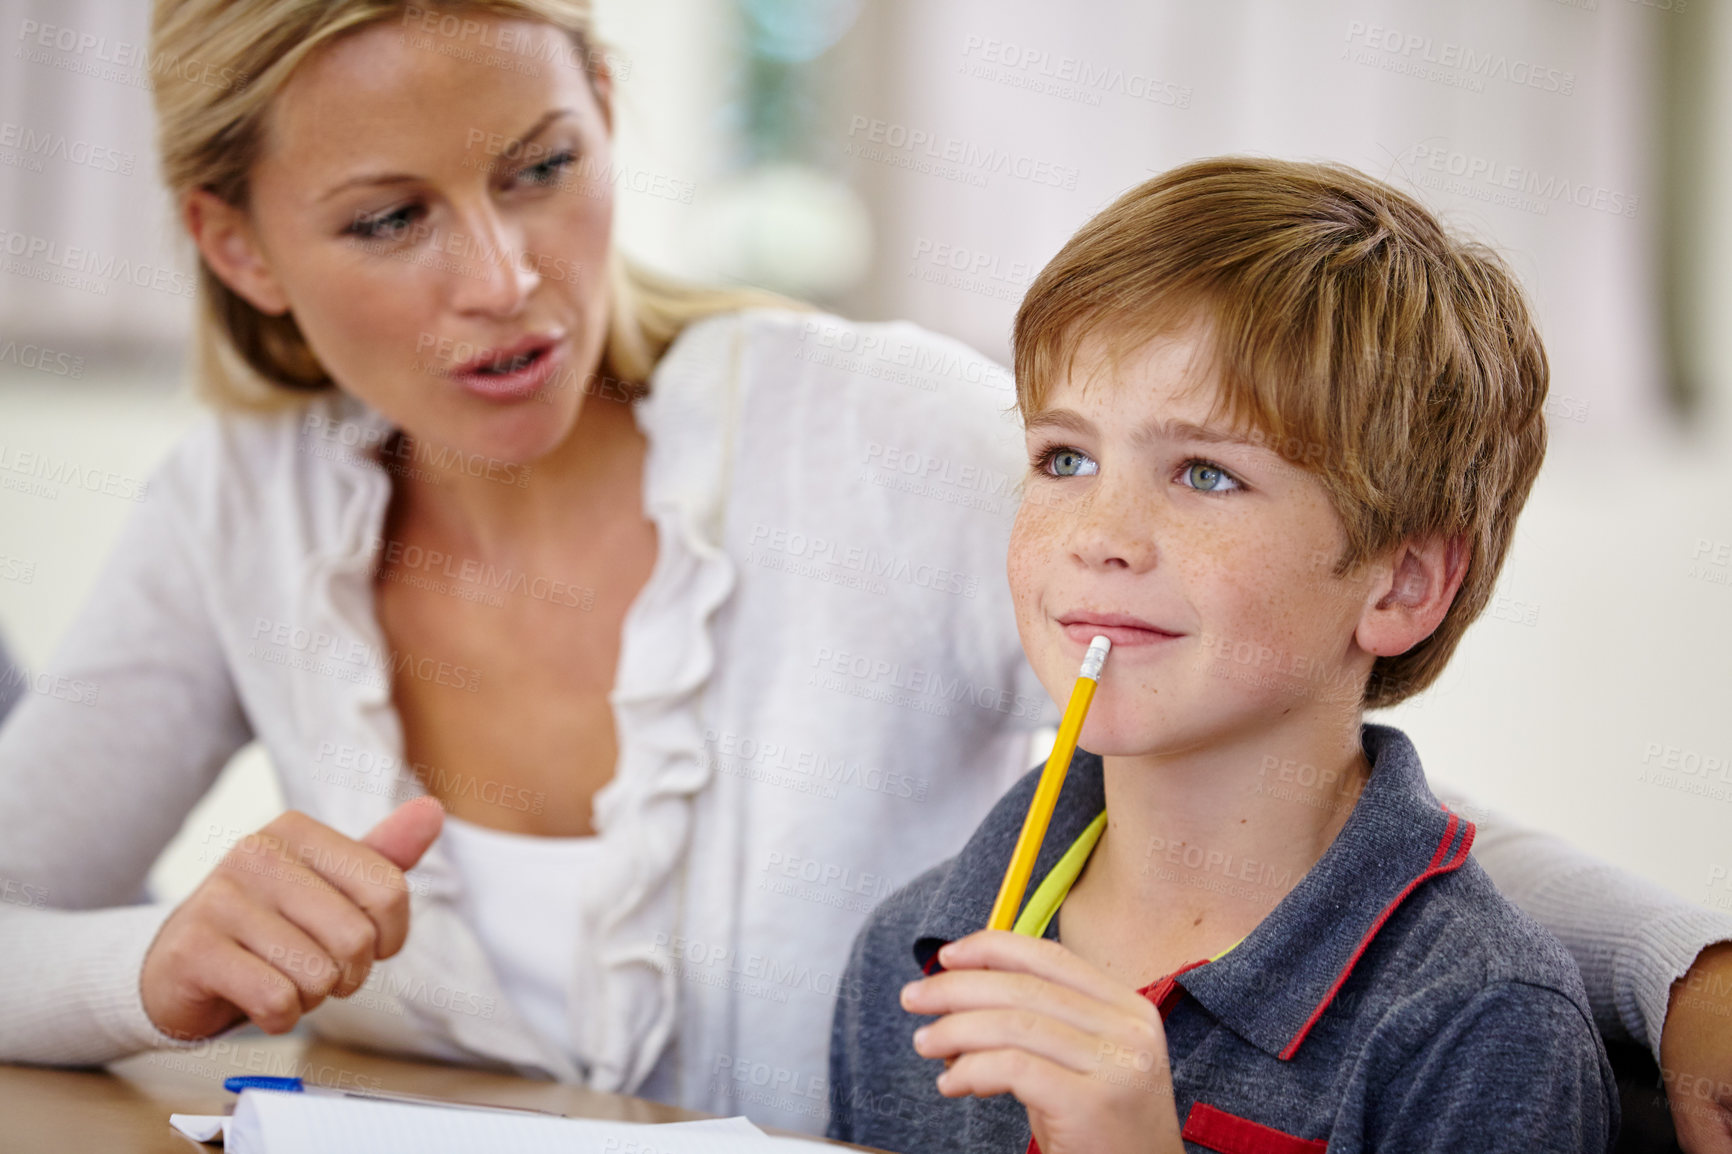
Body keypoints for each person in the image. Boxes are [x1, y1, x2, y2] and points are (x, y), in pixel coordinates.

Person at [0, 2, 1725, 1145]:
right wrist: (151, 962)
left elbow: (1280, 729)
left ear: (606, 112)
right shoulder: (236, 511)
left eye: (542, 167)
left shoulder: (873, 434)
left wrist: (1677, 963)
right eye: (391, 220)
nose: (510, 276)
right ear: (237, 244)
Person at [827, 159, 1618, 1153]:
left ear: (1399, 584)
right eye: (1064, 458)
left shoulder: (1479, 1019)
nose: (1100, 533)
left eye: (1204, 473)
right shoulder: (908, 958)